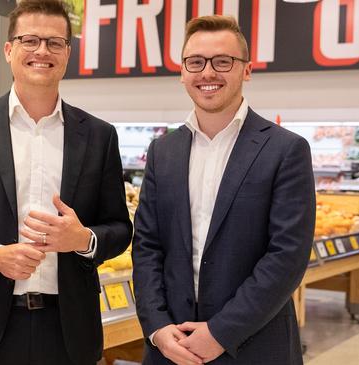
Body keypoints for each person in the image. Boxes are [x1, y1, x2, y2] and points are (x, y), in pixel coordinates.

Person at [0, 1, 132, 364]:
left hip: (69, 332)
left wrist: (82, 240)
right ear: (9, 50)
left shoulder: (99, 136)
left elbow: (120, 228)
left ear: (67, 53)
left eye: (54, 42)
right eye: (30, 40)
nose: (42, 51)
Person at [132, 15, 316, 365]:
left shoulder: (285, 149)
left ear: (246, 70)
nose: (208, 73)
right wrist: (156, 326)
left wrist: (221, 332)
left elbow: (287, 256)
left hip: (253, 346)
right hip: (170, 348)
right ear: (183, 71)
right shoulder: (163, 151)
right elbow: (147, 246)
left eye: (223, 61)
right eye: (196, 62)